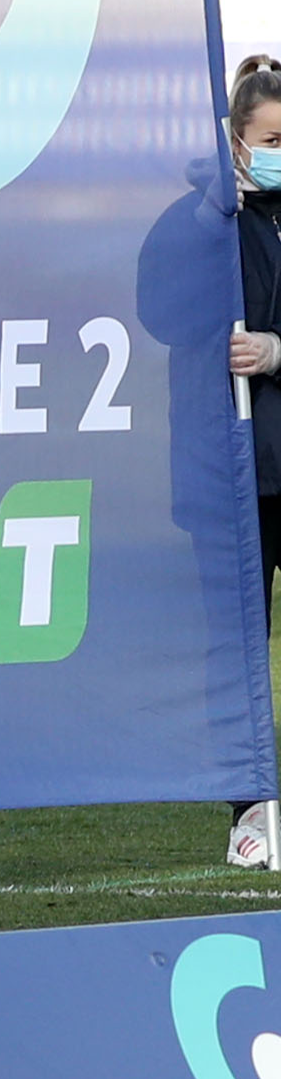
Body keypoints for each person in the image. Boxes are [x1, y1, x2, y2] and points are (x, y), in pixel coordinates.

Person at [225, 55, 281, 870]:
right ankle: (250, 819)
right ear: (237, 141)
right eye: (271, 138)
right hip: (244, 473)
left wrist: (276, 350)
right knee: (241, 649)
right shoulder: (214, 223)